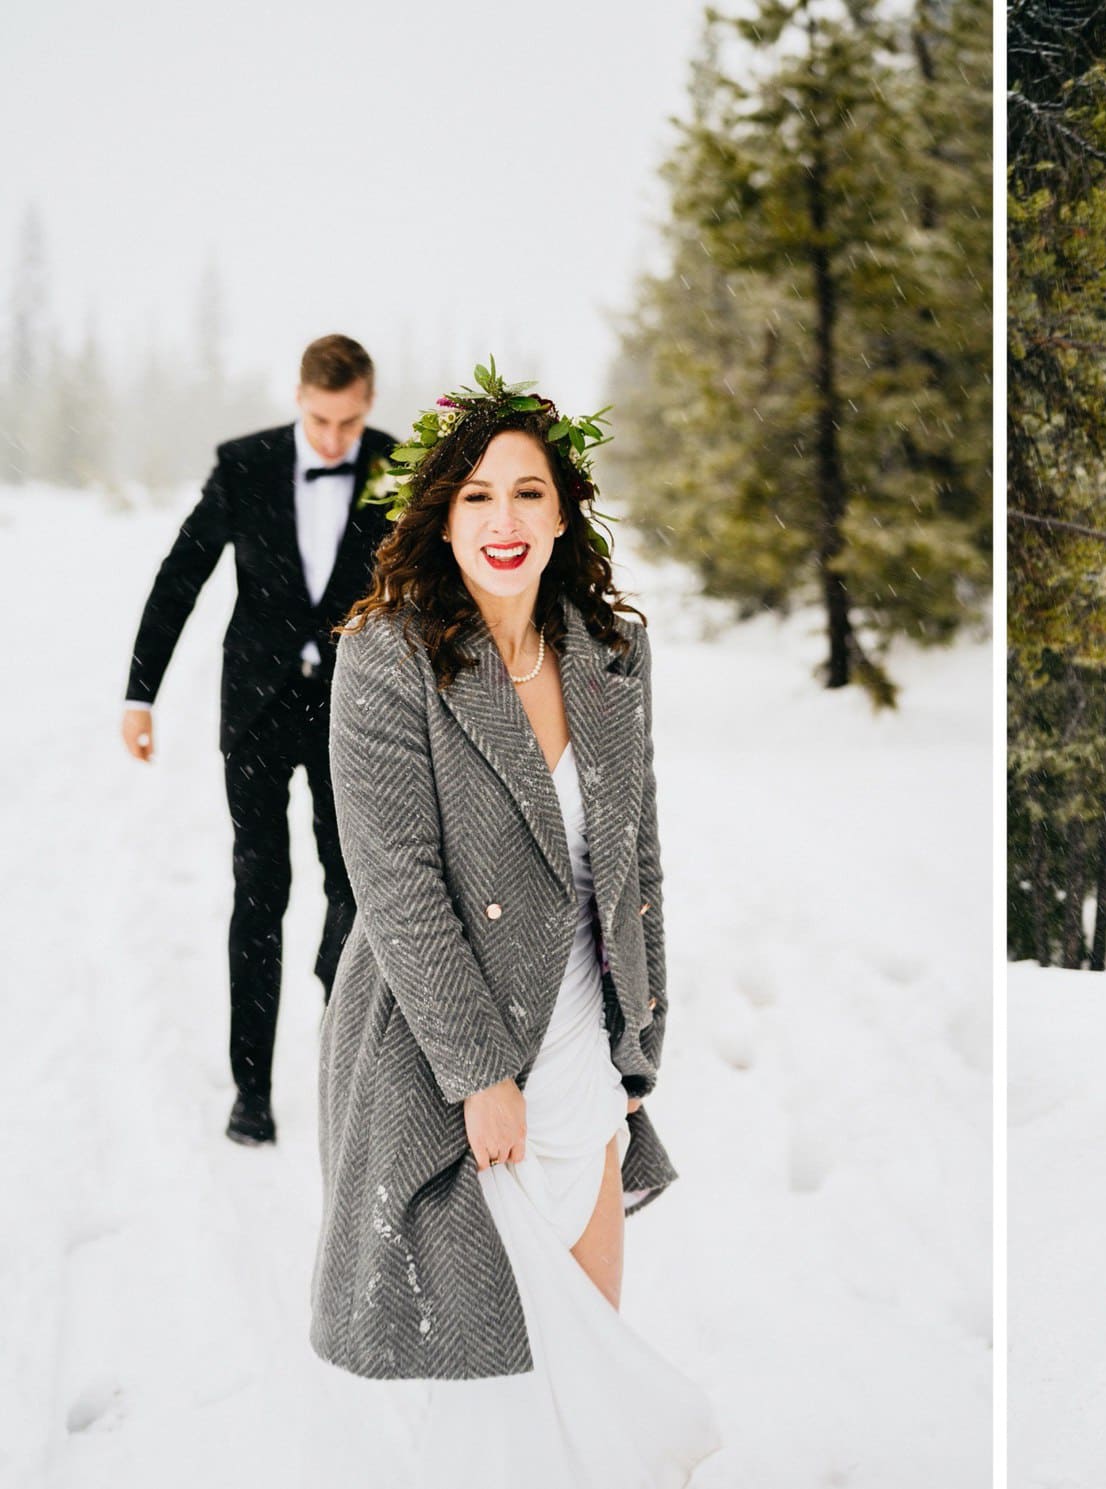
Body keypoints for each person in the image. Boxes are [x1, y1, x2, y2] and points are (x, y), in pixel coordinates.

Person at [306, 364, 720, 1482]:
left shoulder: (609, 652)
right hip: (453, 1054)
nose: (503, 520)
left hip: (584, 1041)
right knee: (491, 1380)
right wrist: (479, 1071)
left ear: (563, 510)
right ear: (440, 515)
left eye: (527, 493)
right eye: (477, 495)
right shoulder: (385, 656)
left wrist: (642, 1037)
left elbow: (635, 859)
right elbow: (395, 883)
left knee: (585, 1356)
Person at [121, 334, 394, 1146]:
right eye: (320, 419)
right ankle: (252, 1090)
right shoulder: (244, 465)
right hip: (258, 713)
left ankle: (341, 1046)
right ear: (299, 397)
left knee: (355, 890)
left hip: (355, 711)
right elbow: (182, 575)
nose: (335, 438)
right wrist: (141, 693)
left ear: (368, 405)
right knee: (258, 893)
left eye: (349, 422)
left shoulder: (398, 467)